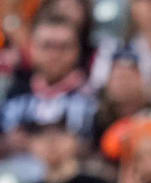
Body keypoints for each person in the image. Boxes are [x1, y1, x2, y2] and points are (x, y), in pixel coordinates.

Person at [2, 14, 96, 142]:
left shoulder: (95, 97)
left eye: (63, 47)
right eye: (47, 46)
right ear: (32, 49)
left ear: (78, 50)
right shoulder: (11, 93)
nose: (54, 54)